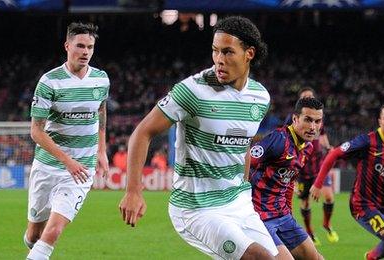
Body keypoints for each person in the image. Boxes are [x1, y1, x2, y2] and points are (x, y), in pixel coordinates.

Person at [118, 16, 278, 259]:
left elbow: (244, 143)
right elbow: (142, 132)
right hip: (196, 208)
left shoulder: (260, 97)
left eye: (228, 52)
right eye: (215, 51)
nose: (219, 60)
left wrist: (244, 187)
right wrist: (133, 191)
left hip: (238, 203)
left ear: (249, 54)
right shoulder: (192, 91)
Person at [24, 22, 110, 260]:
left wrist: (101, 151)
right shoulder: (49, 82)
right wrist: (67, 161)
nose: (85, 52)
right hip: (48, 167)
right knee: (34, 234)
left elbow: (101, 110)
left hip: (81, 169)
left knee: (54, 231)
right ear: (67, 46)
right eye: (80, 46)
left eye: (90, 47)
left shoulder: (101, 80)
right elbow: (36, 132)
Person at [310, 102, 384, 260]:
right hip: (363, 204)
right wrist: (318, 184)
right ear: (380, 121)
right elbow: (334, 154)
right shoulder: (367, 141)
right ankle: (370, 257)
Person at [249, 97, 325, 260]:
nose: (313, 127)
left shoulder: (308, 147)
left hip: (282, 215)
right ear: (295, 119)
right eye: (308, 120)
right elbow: (245, 160)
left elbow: (289, 183)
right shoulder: (278, 140)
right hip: (259, 215)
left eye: (317, 121)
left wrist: (289, 212)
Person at [287, 87, 338, 245]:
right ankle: (309, 231)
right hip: (302, 171)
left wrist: (328, 147)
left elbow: (322, 136)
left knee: (329, 196)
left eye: (311, 96)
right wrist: (291, 177)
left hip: (318, 167)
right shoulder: (292, 121)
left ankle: (326, 224)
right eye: (305, 97)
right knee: (305, 203)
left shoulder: (318, 120)